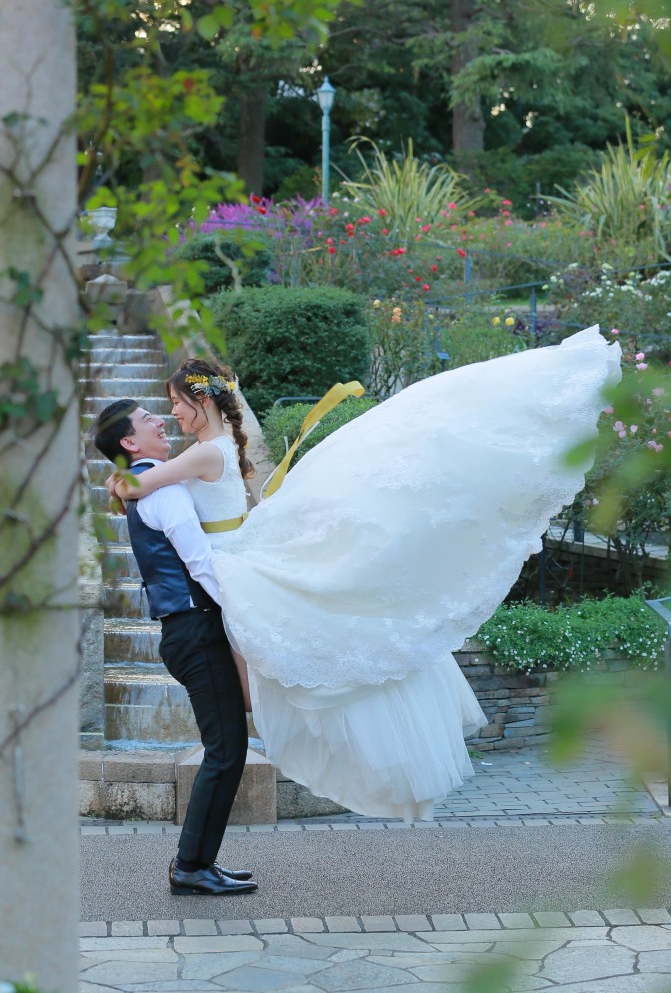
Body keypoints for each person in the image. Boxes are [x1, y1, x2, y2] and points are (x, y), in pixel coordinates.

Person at [106, 325, 621, 822]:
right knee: (295, 666)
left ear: (202, 402)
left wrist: (118, 478)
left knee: (284, 676)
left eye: (175, 402)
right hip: (233, 556)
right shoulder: (218, 449)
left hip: (225, 566)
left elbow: (136, 486)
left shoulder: (200, 454)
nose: (170, 413)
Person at [93, 399, 258, 897]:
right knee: (226, 751)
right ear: (129, 443)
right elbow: (200, 562)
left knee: (228, 749)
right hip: (195, 628)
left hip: (190, 629)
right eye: (148, 420)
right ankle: (190, 866)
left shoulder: (149, 481)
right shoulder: (163, 492)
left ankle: (198, 863)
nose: (160, 421)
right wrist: (248, 613)